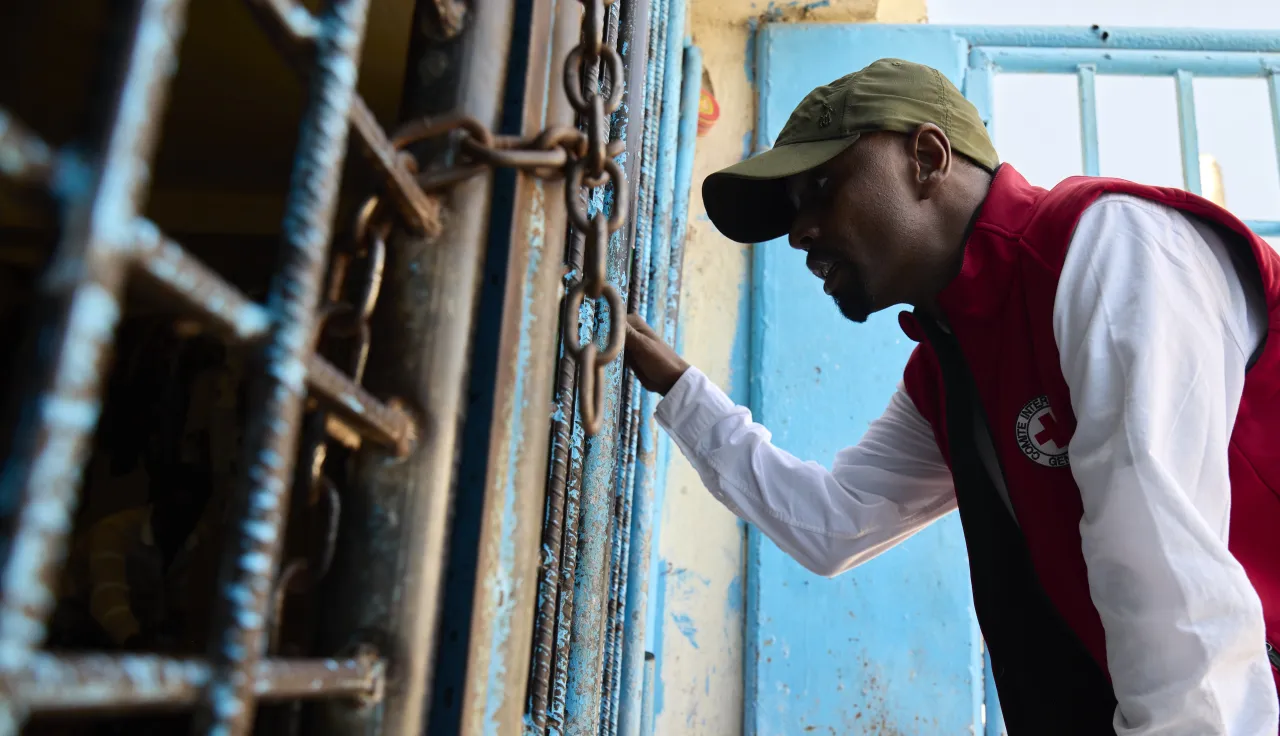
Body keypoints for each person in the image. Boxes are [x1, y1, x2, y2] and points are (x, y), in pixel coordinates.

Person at [623, 58, 1280, 735]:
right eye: (794, 209)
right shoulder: (949, 367)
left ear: (928, 158)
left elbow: (1176, 604)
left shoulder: (1108, 248)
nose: (800, 232)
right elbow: (835, 524)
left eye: (822, 187)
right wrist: (678, 386)